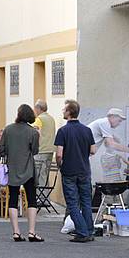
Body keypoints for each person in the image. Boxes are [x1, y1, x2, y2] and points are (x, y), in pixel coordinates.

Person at [0, 104, 43, 242]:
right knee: (31, 200)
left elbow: (1, 149)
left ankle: (16, 232)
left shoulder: (8, 129)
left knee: (13, 199)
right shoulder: (33, 132)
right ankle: (31, 232)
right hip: (28, 169)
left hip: (13, 168)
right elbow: (35, 151)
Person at [55, 99, 97, 243]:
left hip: (69, 171)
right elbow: (93, 150)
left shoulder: (63, 131)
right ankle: (89, 230)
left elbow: (59, 153)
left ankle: (82, 232)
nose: (63, 111)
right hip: (84, 170)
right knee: (86, 201)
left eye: (64, 109)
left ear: (69, 112)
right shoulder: (87, 130)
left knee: (72, 202)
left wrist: (60, 165)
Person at [88, 108, 129, 182]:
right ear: (112, 117)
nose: (119, 124)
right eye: (119, 121)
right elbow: (111, 144)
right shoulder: (105, 123)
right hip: (81, 154)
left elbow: (113, 141)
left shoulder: (104, 124)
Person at [33, 99, 56, 186]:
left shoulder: (39, 119)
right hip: (50, 150)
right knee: (45, 174)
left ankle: (40, 197)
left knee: (38, 175)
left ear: (39, 108)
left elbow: (35, 134)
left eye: (35, 108)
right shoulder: (51, 118)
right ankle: (45, 198)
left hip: (41, 150)